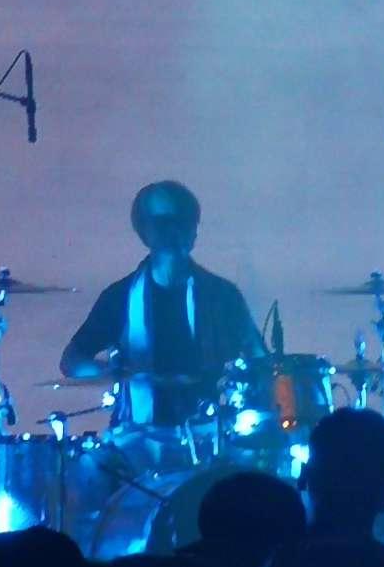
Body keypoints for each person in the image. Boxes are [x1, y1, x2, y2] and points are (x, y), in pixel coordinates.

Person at [60, 181, 264, 440]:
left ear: (195, 230)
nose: (174, 230)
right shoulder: (119, 297)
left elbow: (260, 362)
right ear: (144, 231)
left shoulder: (223, 296)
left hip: (210, 434)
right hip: (137, 436)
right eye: (163, 223)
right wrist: (112, 372)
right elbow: (72, 361)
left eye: (183, 221)